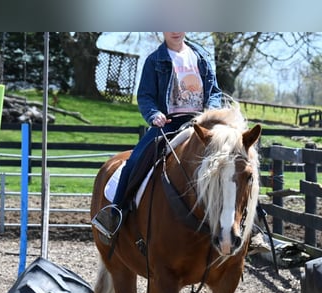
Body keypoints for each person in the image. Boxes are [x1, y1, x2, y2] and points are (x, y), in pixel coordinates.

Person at [91, 32, 224, 240]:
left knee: (235, 160)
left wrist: (211, 111)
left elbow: (215, 91)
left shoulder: (201, 57)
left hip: (202, 125)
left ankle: (251, 226)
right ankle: (115, 212)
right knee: (134, 161)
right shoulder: (154, 60)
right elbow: (145, 95)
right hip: (169, 124)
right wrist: (154, 114)